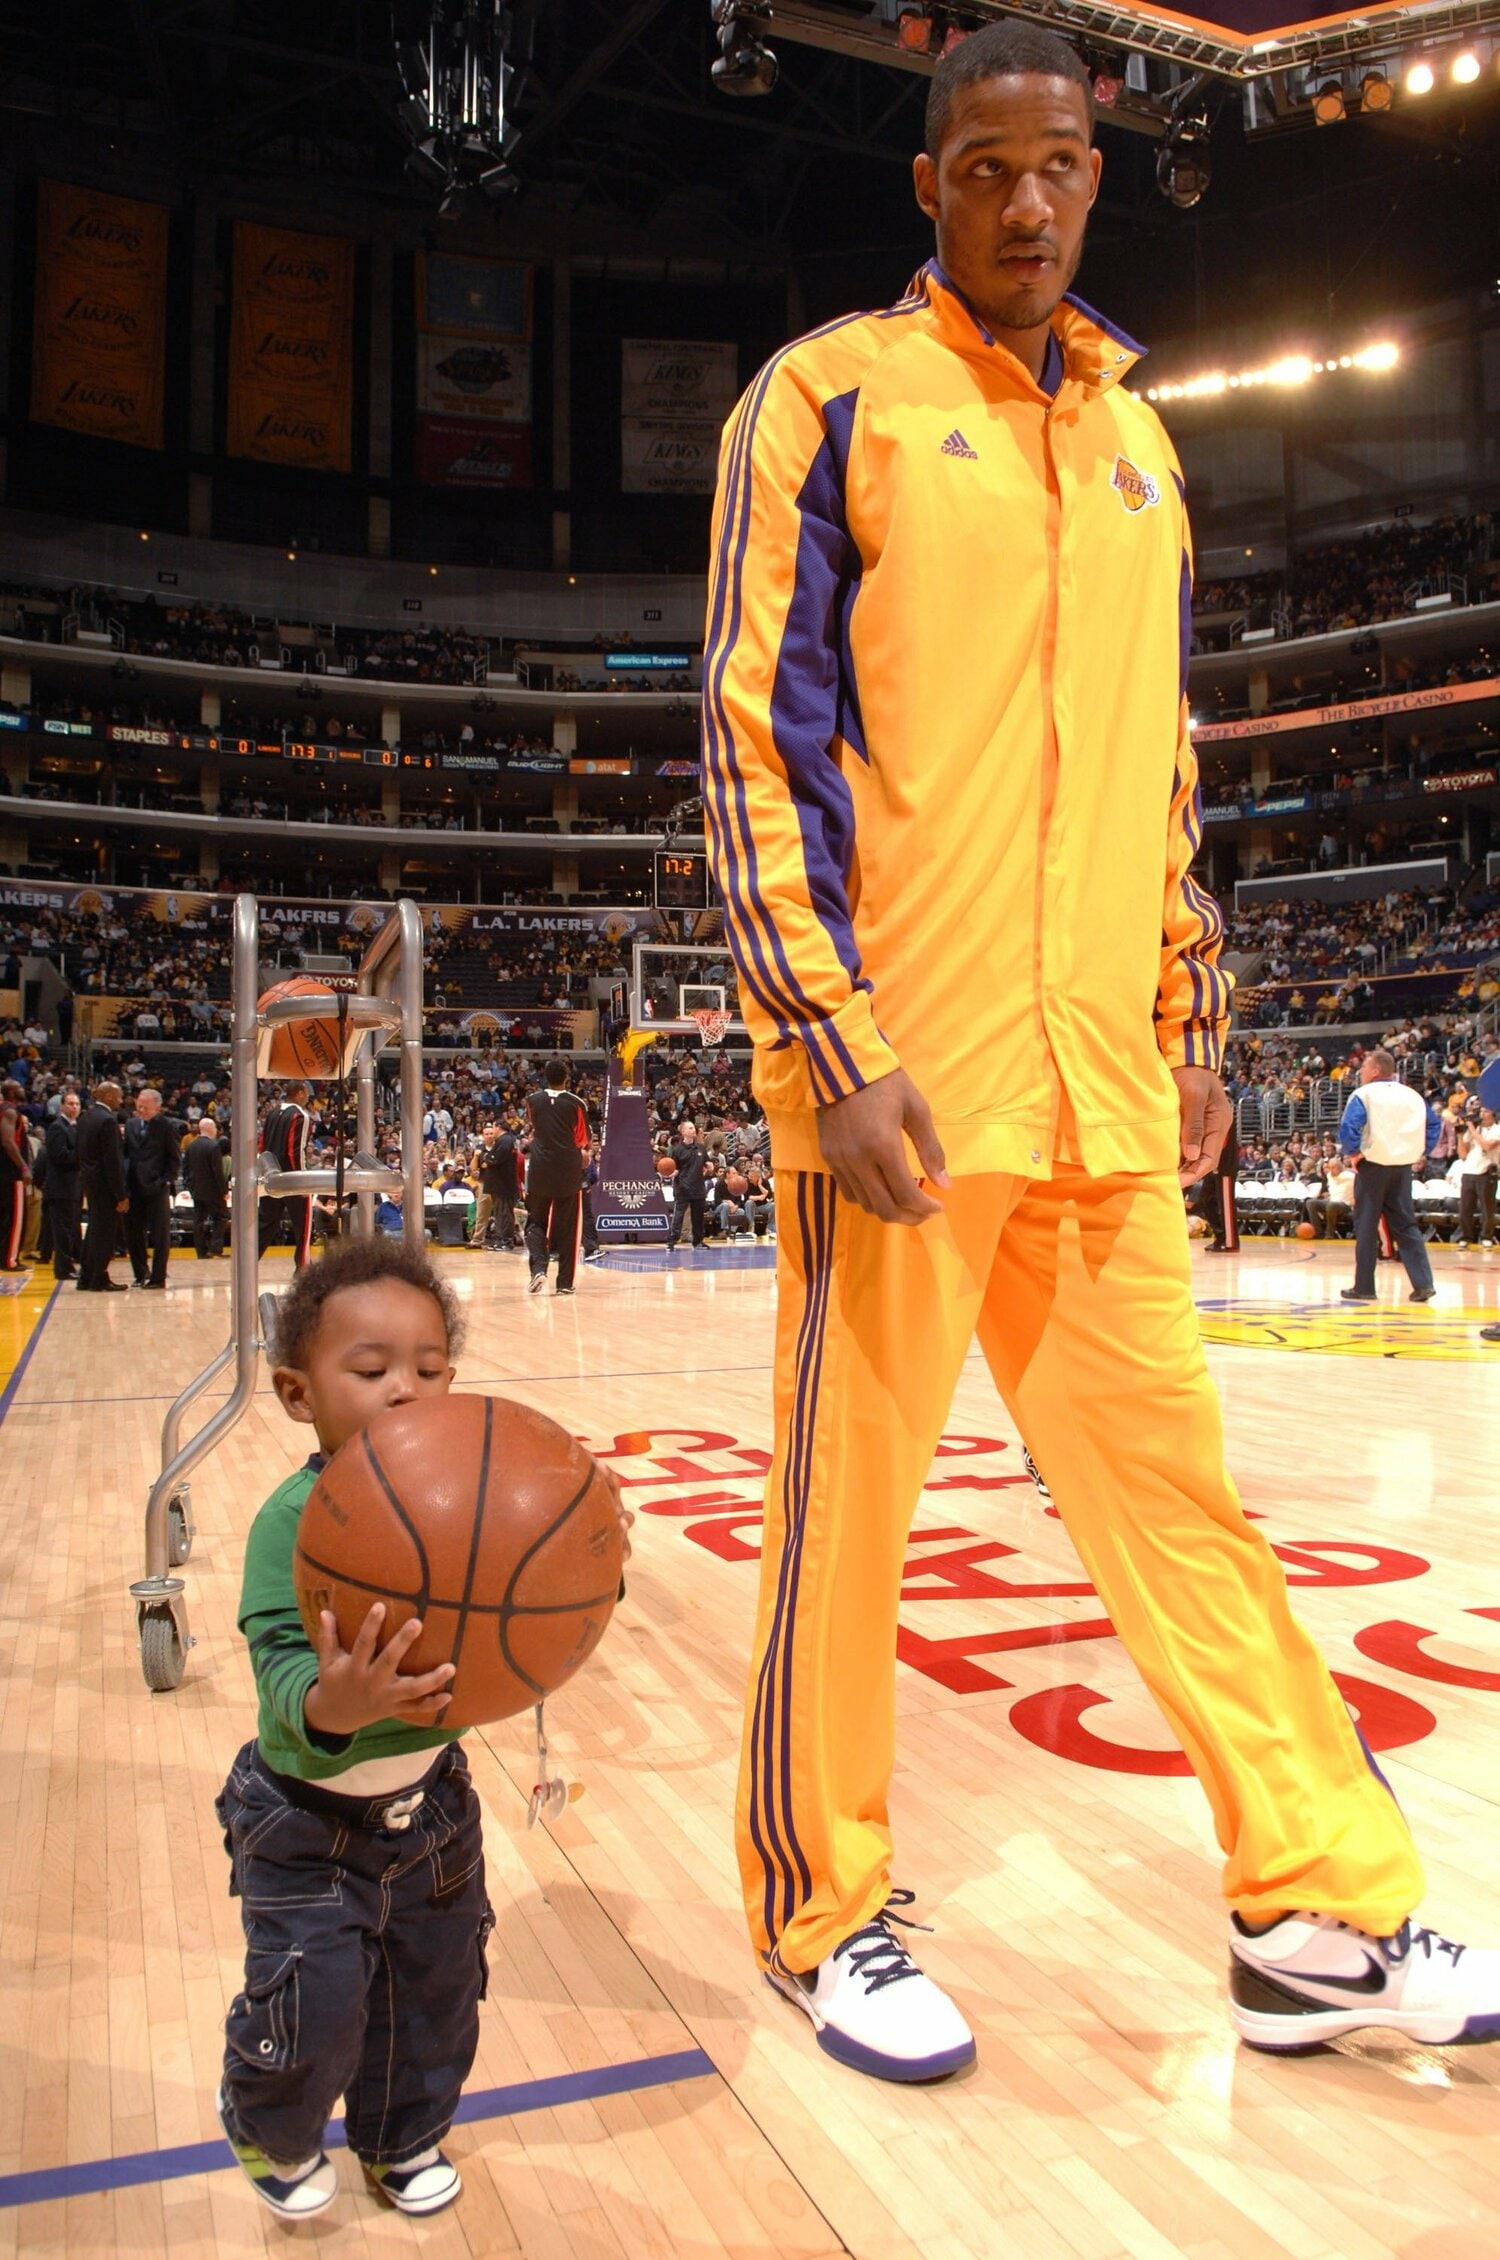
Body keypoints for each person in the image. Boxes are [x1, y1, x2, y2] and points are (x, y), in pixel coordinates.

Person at [702, 20, 1500, 2081]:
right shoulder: (825, 401)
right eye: (986, 167)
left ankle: (1312, 1902)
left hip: (1101, 1095)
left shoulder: (1143, 443)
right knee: (845, 1519)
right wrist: (825, 1027)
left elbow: (1163, 770)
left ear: (1097, 171)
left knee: (1187, 1508)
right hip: (897, 1083)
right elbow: (753, 742)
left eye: (1059, 165)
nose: (1027, 201)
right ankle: (827, 1907)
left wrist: (1188, 1009)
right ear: (929, 183)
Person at [214, 1238, 479, 2221]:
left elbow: (529, 1615)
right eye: (370, 1372)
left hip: (436, 1810)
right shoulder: (293, 1522)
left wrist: (590, 1548)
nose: (404, 1389)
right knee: (313, 2001)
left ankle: (401, 2134)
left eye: (428, 1368)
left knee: (435, 1989)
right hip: (305, 1817)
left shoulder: (465, 1494)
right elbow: (281, 1669)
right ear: (297, 1392)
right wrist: (340, 1703)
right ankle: (265, 2118)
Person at [1337, 1049, 1440, 1304]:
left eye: (1363, 1068)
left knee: (1366, 1225)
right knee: (1406, 1225)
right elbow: (1434, 1124)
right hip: (1402, 1166)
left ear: (1374, 1070)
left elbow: (1349, 1127)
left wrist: (1353, 1153)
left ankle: (1364, 1287)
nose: (1360, 1072)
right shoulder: (1413, 1095)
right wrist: (1421, 1149)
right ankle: (1423, 1284)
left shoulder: (1364, 1094)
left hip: (1373, 1166)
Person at [523, 1057, 588, 1296]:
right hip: (568, 1169)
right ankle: (564, 1284)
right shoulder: (576, 1103)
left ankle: (538, 1269)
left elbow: (536, 1126)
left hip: (540, 1168)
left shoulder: (532, 1101)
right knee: (568, 1228)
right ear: (567, 1077)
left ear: (544, 1076)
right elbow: (582, 1138)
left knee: (535, 1222)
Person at [76, 1080, 129, 1292]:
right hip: (105, 1185)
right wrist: (120, 1194)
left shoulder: (85, 1117)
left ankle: (86, 1276)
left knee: (94, 1231)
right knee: (105, 1233)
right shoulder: (107, 1121)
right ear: (107, 1096)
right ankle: (99, 1277)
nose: (121, 1100)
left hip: (89, 1181)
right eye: (119, 1095)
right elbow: (112, 1162)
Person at [125, 1087, 179, 1289]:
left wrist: (165, 1180)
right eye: (138, 1105)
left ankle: (158, 1277)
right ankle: (140, 1273)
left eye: (145, 1106)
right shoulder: (130, 1125)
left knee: (160, 1235)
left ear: (157, 1107)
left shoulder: (166, 1126)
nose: (140, 1109)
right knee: (134, 1234)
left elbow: (174, 1158)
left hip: (157, 1188)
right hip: (134, 1188)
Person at [260, 1081, 314, 1269]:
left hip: (271, 1175)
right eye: (306, 1093)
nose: (308, 1097)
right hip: (292, 1178)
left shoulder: (273, 1113)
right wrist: (302, 1180)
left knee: (266, 1223)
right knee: (303, 1226)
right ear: (299, 1093)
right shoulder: (299, 1115)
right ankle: (303, 1267)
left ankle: (247, 1262)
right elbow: (294, 1150)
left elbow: (263, 1145)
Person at [42, 1089, 83, 1281]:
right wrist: (82, 1156)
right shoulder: (58, 1127)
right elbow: (59, 1155)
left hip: (73, 1186)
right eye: (70, 1104)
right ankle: (63, 1269)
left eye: (76, 1104)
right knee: (62, 1230)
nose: (74, 1107)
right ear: (62, 1106)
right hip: (60, 1187)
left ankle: (70, 1264)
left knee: (71, 1228)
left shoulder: (76, 1127)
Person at [183, 1119, 230, 1260]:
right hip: (212, 1190)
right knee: (221, 1216)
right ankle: (215, 1249)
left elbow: (185, 1169)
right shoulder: (213, 1146)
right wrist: (224, 1190)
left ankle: (201, 1251)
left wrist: (190, 1187)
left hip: (196, 1190)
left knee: (198, 1220)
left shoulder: (191, 1146)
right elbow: (217, 1171)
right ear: (210, 1128)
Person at [472, 1119, 521, 1250]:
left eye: (493, 1128)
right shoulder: (507, 1140)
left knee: (504, 1214)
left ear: (498, 1127)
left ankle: (505, 1241)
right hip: (501, 1184)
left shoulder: (505, 1140)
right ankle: (500, 1240)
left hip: (503, 1185)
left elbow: (494, 1158)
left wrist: (485, 1156)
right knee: (500, 1214)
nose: (492, 1131)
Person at [1457, 1106, 1499, 1249]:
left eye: (1485, 1111)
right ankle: (1465, 1237)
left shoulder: (1497, 1129)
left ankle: (1486, 1236)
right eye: (1480, 1111)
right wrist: (1460, 1135)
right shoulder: (1475, 1130)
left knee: (1487, 1207)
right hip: (1469, 1171)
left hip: (1486, 1172)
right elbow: (1463, 1153)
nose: (1482, 1114)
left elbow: (1487, 1146)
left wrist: (1473, 1131)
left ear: (1493, 1114)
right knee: (1466, 1208)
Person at [0, 1077, 30, 1271]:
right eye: (19, 1087)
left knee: (5, 1216)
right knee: (16, 1217)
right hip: (11, 1173)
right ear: (11, 1092)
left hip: (3, 1172)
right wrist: (24, 1167)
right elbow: (8, 1142)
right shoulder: (9, 1111)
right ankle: (10, 1259)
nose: (22, 1089)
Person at [668, 1120, 708, 1249]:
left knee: (698, 1217)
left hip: (698, 1187)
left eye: (693, 1128)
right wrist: (671, 1172)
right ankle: (672, 1241)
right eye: (690, 1128)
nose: (693, 1130)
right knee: (678, 1216)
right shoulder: (677, 1150)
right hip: (683, 1188)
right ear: (683, 1131)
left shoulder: (701, 1147)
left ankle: (697, 1241)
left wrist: (709, 1165)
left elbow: (706, 1163)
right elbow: (674, 1168)